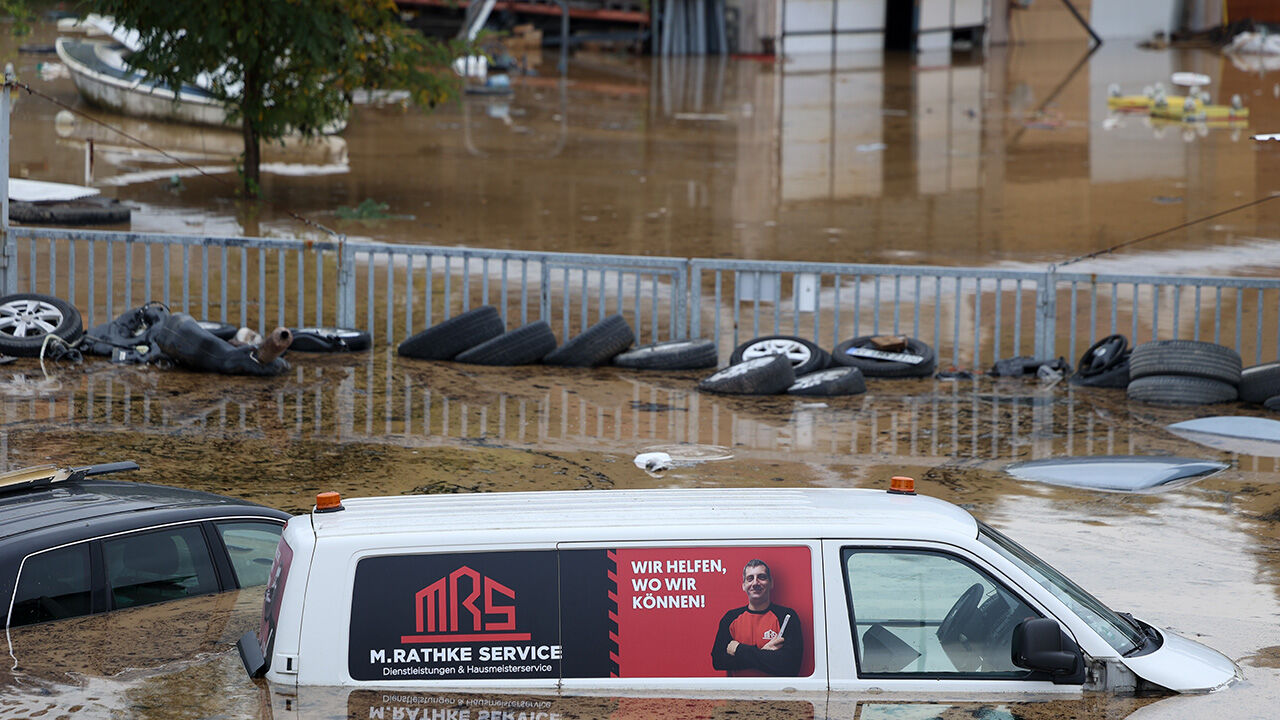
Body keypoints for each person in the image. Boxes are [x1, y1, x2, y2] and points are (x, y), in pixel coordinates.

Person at [710, 559, 802, 676]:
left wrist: (739, 649)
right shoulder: (730, 618)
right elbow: (718, 661)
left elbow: (791, 666)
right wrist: (766, 656)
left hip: (776, 688)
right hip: (740, 688)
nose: (755, 583)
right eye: (750, 578)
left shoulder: (786, 617)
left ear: (771, 583)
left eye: (761, 577)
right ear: (744, 586)